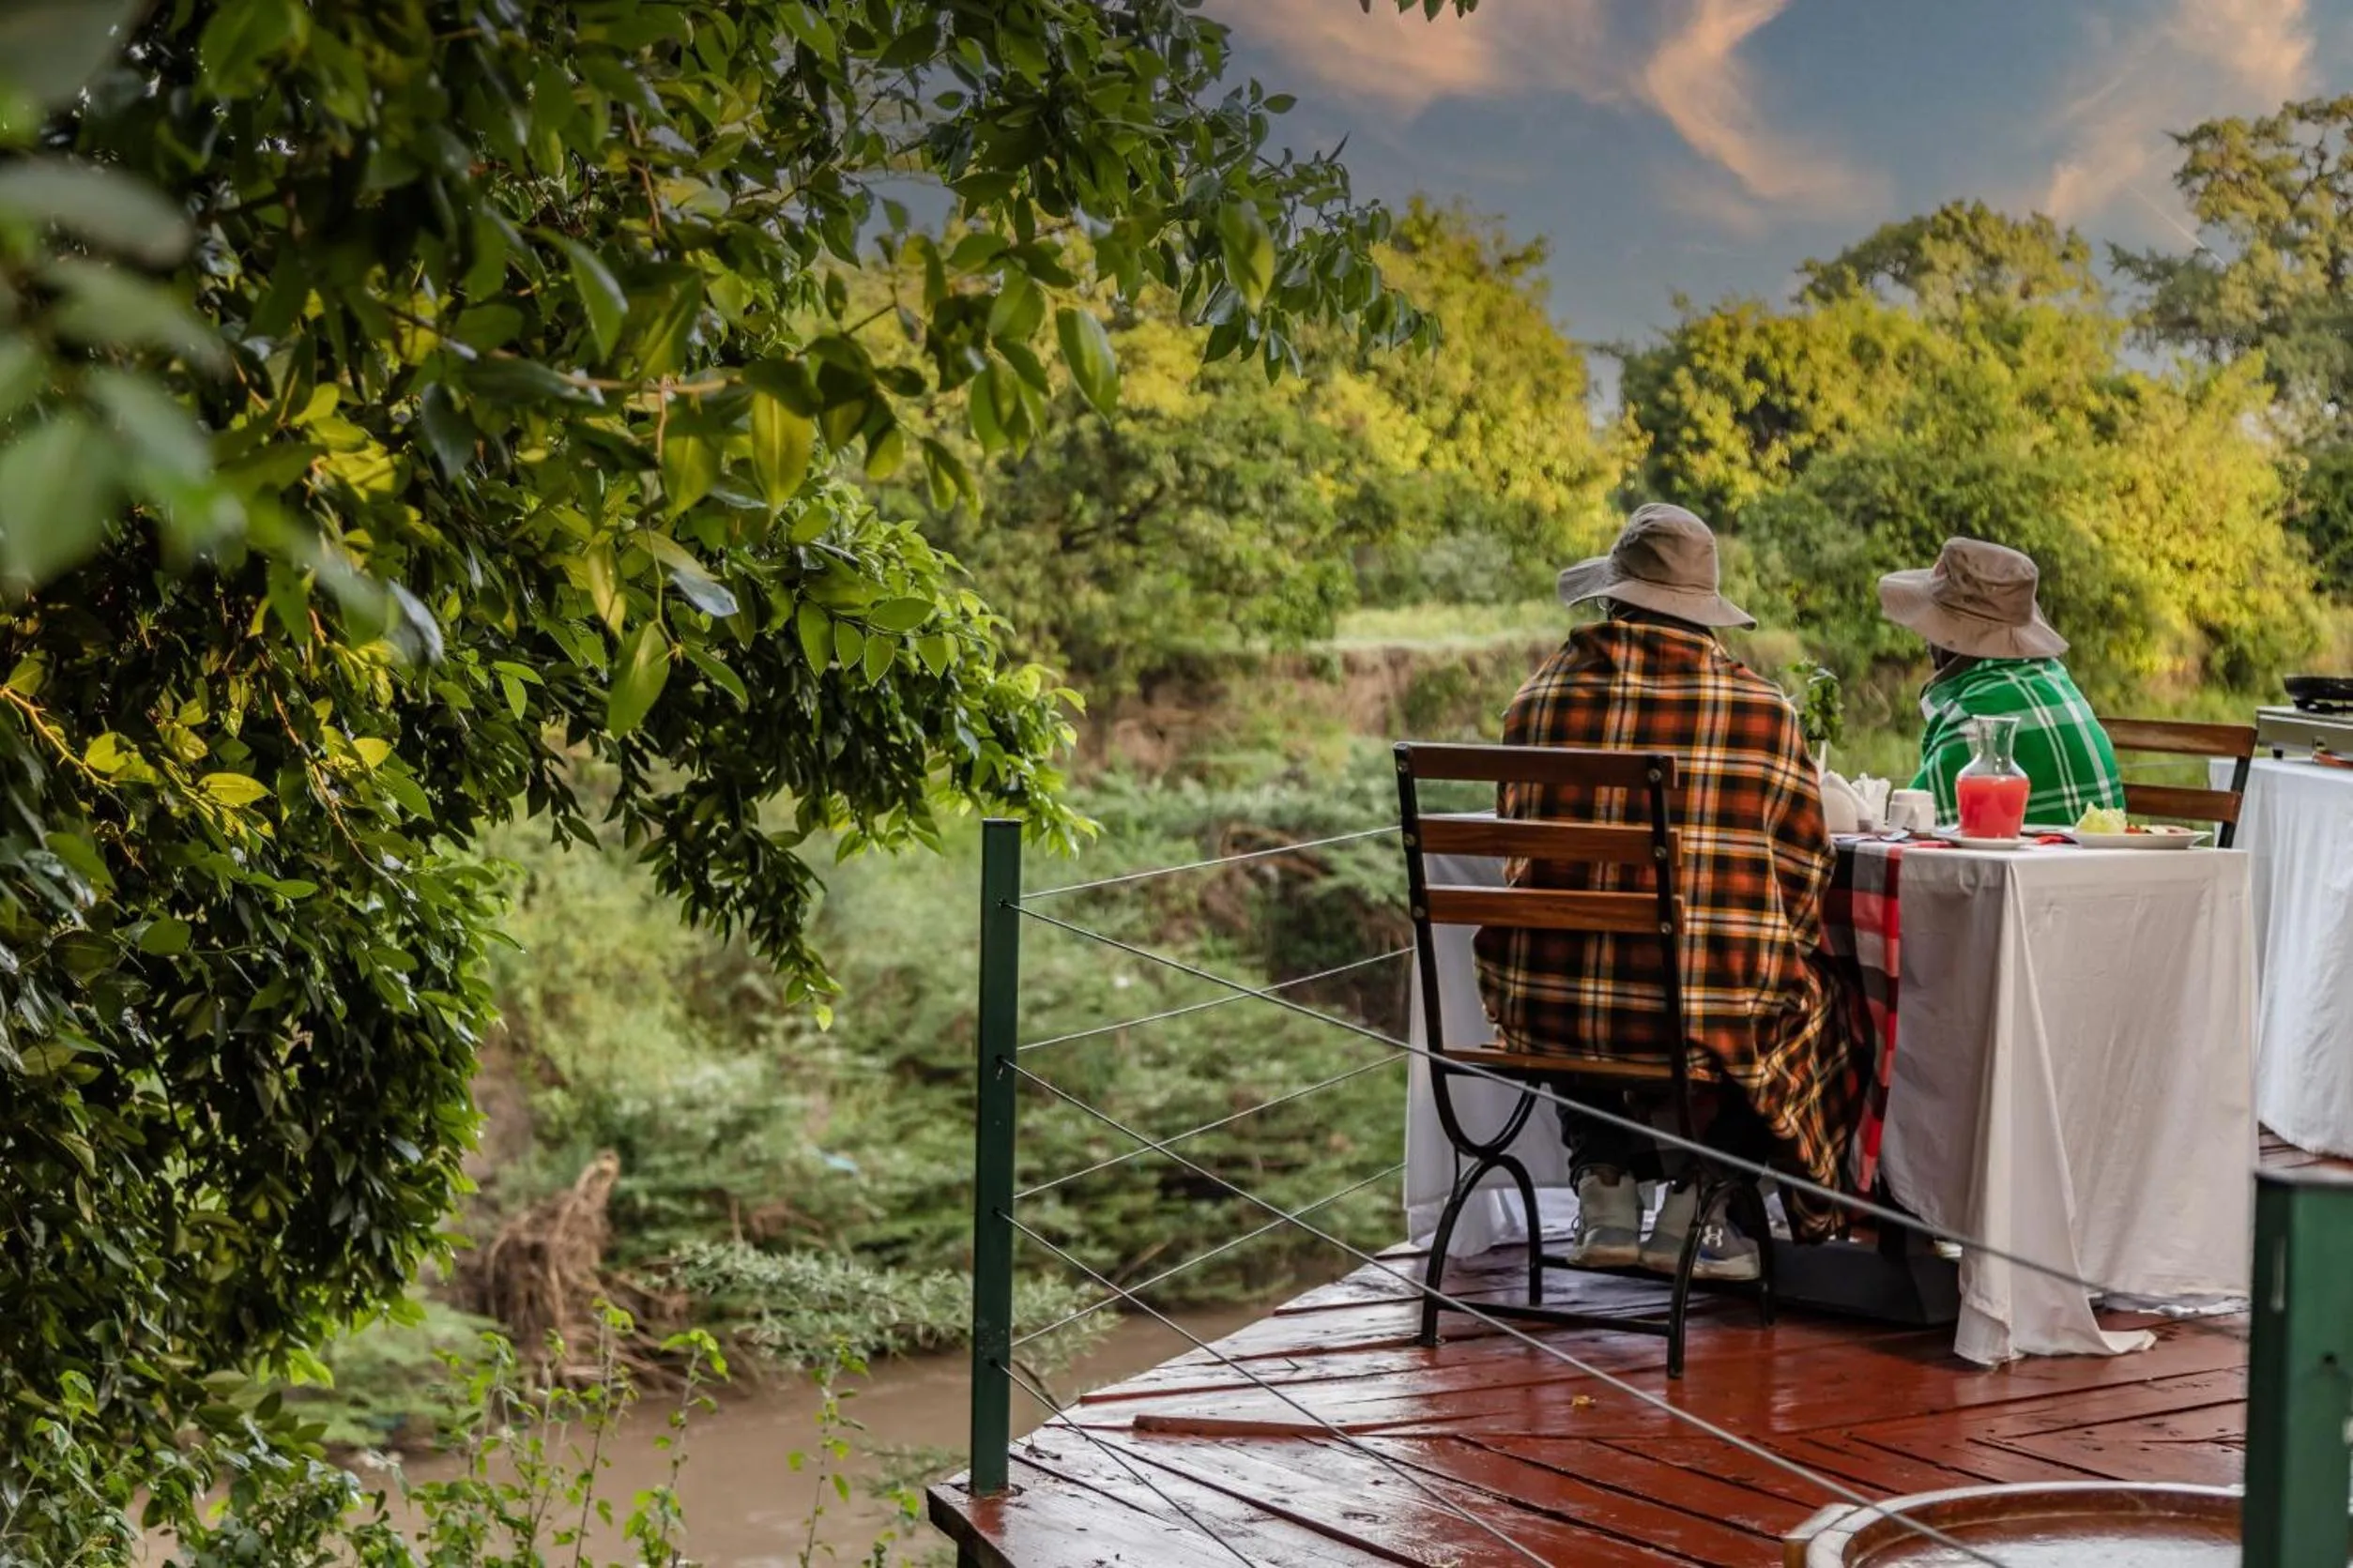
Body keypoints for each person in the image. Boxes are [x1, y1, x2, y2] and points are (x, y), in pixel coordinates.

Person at [1473, 503, 1866, 1282]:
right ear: (1704, 616)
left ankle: (1605, 1183)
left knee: (1578, 978)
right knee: (1809, 998)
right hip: (1696, 1013)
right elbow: (1801, 873)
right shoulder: (1758, 709)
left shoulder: (1538, 696)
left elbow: (1517, 850)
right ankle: (1701, 1197)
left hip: (1545, 1006)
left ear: (1613, 598)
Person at [1878, 539, 2124, 827]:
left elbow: (1912, 825)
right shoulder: (2056, 681)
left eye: (1933, 628)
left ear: (1954, 638)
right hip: (2095, 866)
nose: (1927, 640)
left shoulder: (1977, 715)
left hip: (2028, 869)